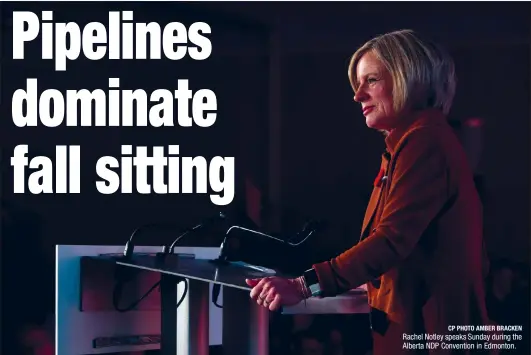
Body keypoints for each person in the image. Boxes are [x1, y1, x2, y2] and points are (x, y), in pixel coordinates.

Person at [246, 29, 492, 354]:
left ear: (409, 78)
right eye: (358, 84)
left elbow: (391, 240)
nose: (357, 95)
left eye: (371, 80)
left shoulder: (424, 142)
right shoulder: (413, 143)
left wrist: (304, 285)